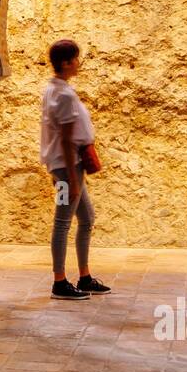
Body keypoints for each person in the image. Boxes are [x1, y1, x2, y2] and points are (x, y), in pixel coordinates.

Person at [40, 39, 111, 299]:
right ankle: (59, 282)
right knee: (62, 222)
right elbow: (68, 139)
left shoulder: (54, 89)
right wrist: (72, 177)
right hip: (66, 168)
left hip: (68, 168)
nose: (79, 63)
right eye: (76, 58)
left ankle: (84, 276)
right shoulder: (64, 94)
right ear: (66, 62)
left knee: (87, 218)